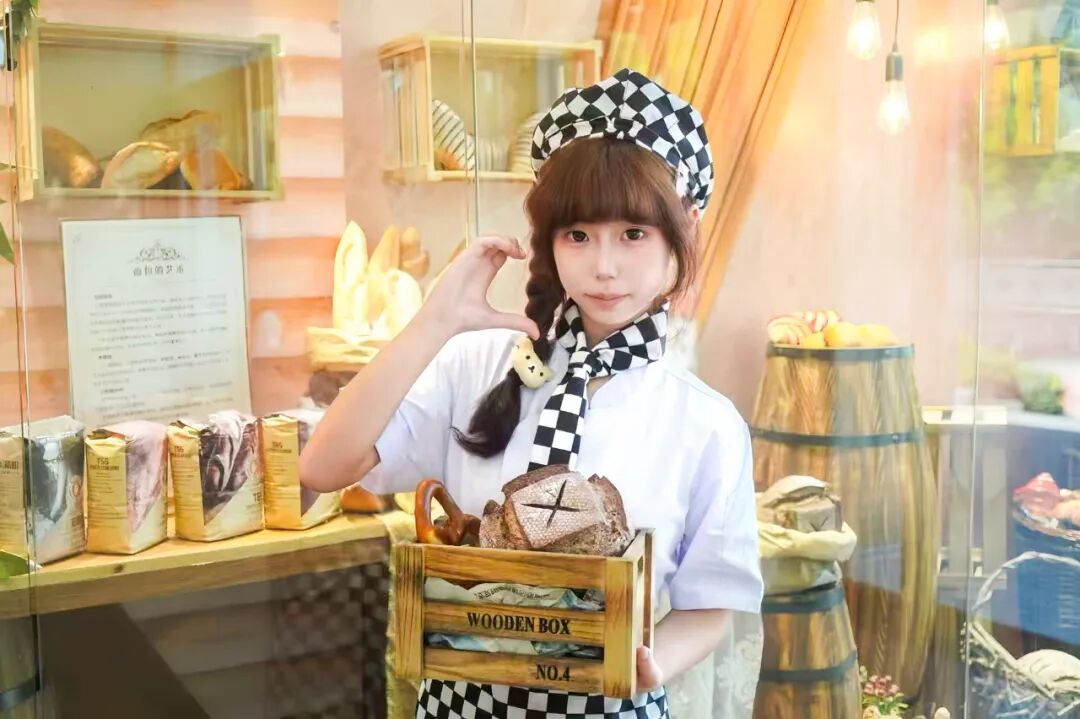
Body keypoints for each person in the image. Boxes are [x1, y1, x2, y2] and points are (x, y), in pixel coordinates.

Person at [300, 68, 763, 719]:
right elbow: (322, 466)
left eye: (633, 234)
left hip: (611, 706)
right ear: (548, 240)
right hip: (462, 704)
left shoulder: (706, 422)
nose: (603, 266)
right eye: (578, 234)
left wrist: (649, 662)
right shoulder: (474, 364)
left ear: (682, 232)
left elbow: (711, 602)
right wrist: (435, 321)